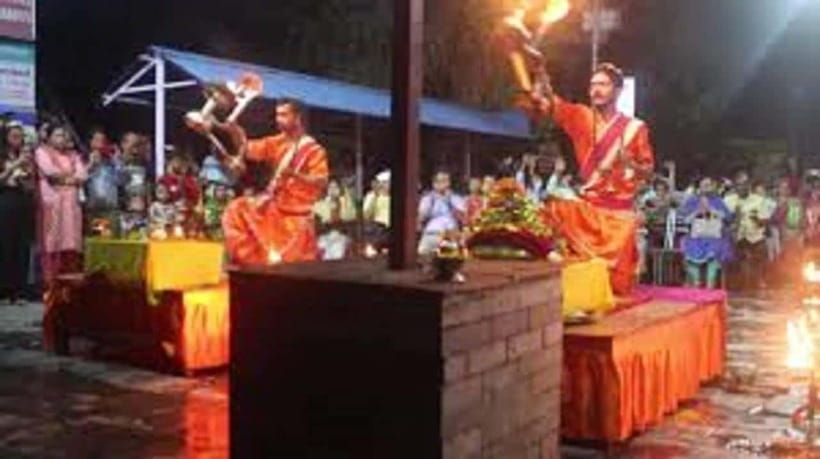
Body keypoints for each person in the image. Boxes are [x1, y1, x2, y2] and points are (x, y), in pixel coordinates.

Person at [527, 62, 655, 295]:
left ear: (617, 91)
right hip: (587, 210)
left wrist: (630, 164)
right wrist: (541, 73)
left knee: (617, 288)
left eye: (603, 84)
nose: (596, 90)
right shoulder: (580, 116)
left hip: (618, 216)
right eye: (593, 85)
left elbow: (648, 171)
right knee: (551, 211)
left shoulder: (636, 128)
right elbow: (550, 103)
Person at [221, 98, 329, 265]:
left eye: (284, 115)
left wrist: (294, 174)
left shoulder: (314, 150)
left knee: (289, 263)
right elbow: (247, 149)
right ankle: (252, 265)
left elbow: (321, 181)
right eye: (277, 115)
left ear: (298, 118)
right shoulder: (277, 142)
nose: (278, 119)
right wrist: (234, 130)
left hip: (296, 211)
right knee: (236, 209)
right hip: (275, 204)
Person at [35, 124, 87, 285]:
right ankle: (50, 277)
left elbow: (83, 174)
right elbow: (50, 172)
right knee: (52, 235)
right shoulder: (42, 152)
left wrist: (66, 179)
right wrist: (71, 178)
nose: (62, 139)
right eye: (58, 135)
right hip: (52, 199)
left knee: (71, 236)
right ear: (49, 138)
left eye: (64, 135)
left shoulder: (73, 155)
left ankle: (69, 274)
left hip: (71, 201)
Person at [0, 123, 35, 303]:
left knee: (22, 246)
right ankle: (5, 291)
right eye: (14, 136)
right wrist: (14, 166)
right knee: (6, 246)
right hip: (5, 200)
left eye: (21, 137)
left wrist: (28, 174)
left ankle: (19, 291)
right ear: (6, 137)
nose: (18, 140)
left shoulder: (25, 156)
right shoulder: (3, 155)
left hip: (23, 201)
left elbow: (31, 186)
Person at [679, 177, 733, 289]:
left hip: (714, 238)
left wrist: (712, 210)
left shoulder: (718, 201)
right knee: (692, 259)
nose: (707, 188)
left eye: (710, 185)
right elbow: (685, 219)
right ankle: (696, 286)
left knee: (714, 256)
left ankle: (710, 288)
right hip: (696, 238)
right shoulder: (692, 200)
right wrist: (698, 211)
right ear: (699, 187)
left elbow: (728, 217)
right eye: (705, 185)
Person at [734, 180, 776, 290]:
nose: (741, 188)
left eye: (744, 185)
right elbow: (734, 220)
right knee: (744, 262)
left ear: (748, 187)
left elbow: (765, 220)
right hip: (742, 237)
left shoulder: (759, 201)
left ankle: (759, 281)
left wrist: (757, 219)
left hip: (757, 236)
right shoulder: (733, 200)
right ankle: (745, 284)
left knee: (760, 261)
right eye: (739, 185)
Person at [417, 171, 466, 256]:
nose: (441, 184)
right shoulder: (427, 198)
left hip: (450, 232)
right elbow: (422, 216)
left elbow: (462, 217)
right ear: (433, 184)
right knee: (423, 253)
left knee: (451, 256)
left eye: (444, 181)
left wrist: (449, 201)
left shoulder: (456, 198)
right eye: (438, 181)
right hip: (432, 232)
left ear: (449, 183)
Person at [85, 128, 120, 221]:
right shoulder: (83, 159)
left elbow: (120, 180)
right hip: (93, 205)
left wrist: (116, 160)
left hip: (110, 205)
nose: (100, 144)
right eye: (97, 140)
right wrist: (91, 164)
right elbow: (81, 178)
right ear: (90, 142)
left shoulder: (111, 161)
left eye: (103, 141)